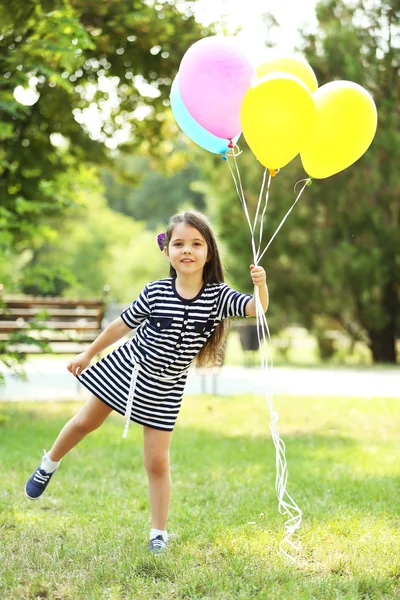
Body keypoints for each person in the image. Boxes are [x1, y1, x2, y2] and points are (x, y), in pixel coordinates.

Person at [25, 210, 268, 554]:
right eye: (179, 243)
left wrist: (261, 284)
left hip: (166, 388)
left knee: (157, 462)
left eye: (196, 244)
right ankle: (48, 463)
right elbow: (120, 326)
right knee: (84, 422)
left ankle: (159, 533)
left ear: (209, 252)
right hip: (128, 369)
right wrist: (87, 354)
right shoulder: (155, 291)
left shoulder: (218, 296)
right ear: (167, 251)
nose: (187, 250)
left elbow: (257, 308)